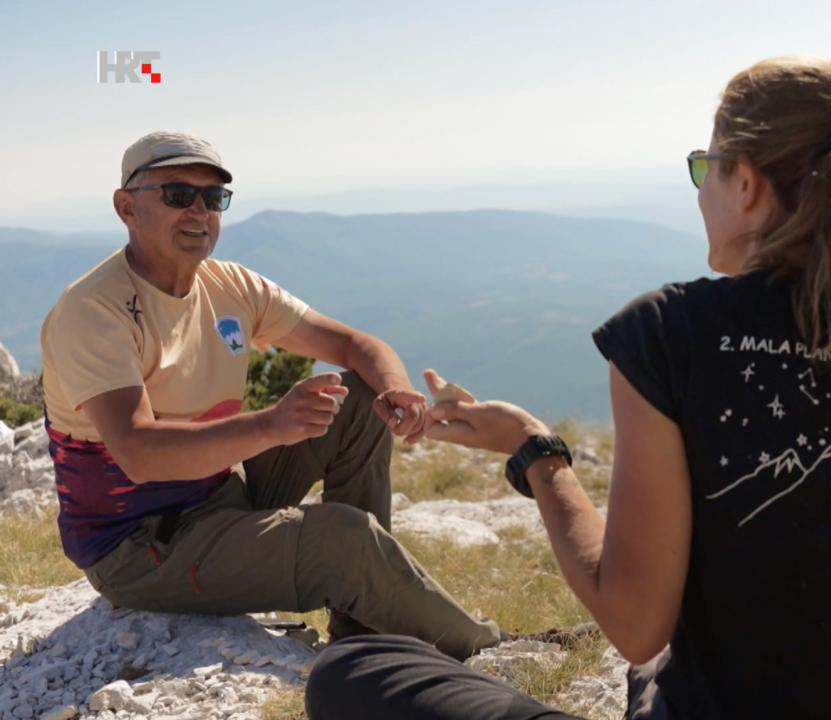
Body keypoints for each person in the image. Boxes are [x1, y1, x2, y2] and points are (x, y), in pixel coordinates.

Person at [306, 56, 831, 720]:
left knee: (353, 672)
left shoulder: (673, 333)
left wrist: (534, 451)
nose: (700, 192)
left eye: (706, 168)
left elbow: (637, 625)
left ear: (747, 182)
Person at [40, 131, 502, 660]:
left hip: (215, 495)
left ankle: (361, 630)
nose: (198, 210)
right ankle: (491, 653)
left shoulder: (228, 286)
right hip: (143, 547)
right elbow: (139, 453)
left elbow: (354, 344)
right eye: (176, 194)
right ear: (126, 207)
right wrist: (270, 425)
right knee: (342, 538)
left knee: (355, 395)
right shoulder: (94, 310)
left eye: (213, 199)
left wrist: (397, 391)